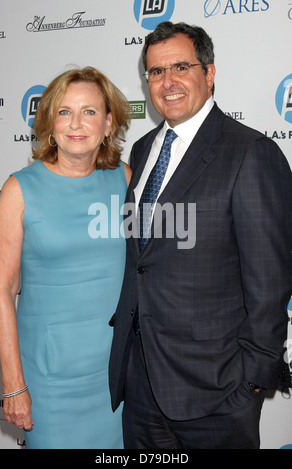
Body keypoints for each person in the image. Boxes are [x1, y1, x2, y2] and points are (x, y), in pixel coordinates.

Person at [109, 22, 292, 449]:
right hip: (142, 385)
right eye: (155, 72)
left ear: (209, 73)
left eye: (180, 67)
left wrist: (249, 386)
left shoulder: (250, 153)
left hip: (218, 390)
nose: (167, 82)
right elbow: (144, 259)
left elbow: (270, 281)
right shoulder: (143, 149)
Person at [0, 66, 131, 449]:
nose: (76, 123)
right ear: (49, 123)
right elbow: (1, 290)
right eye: (65, 111)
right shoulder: (19, 190)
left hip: (115, 376)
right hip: (49, 382)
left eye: (89, 111)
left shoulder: (124, 179)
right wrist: (13, 384)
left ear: (108, 124)